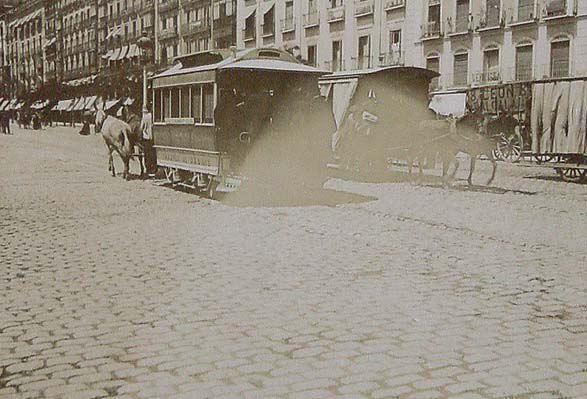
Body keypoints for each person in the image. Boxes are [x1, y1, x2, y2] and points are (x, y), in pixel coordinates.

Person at [140, 105, 155, 177]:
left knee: (147, 154)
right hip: (153, 137)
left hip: (146, 137)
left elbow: (141, 127)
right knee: (152, 153)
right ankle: (153, 168)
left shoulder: (144, 117)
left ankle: (148, 169)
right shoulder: (151, 115)